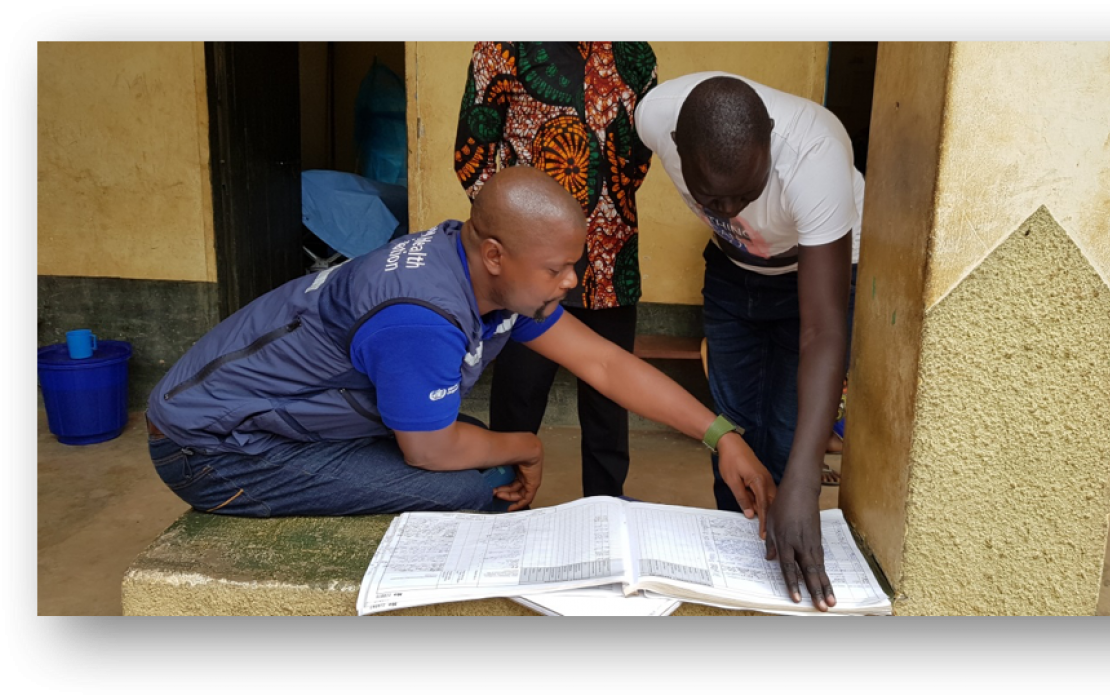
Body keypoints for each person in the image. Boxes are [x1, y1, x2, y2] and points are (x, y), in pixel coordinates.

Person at [144, 167, 775, 536]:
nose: (571, 283)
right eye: (558, 268)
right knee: (476, 484)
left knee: (474, 447)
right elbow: (430, 449)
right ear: (496, 254)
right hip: (213, 450)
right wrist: (527, 444)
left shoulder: (479, 272)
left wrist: (722, 435)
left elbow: (606, 363)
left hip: (253, 415)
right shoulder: (423, 317)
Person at [636, 72, 864, 611]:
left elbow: (822, 330)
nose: (733, 208)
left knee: (789, 436)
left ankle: (788, 572)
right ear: (677, 150)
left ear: (769, 140)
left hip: (814, 272)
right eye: (714, 195)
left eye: (748, 189)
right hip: (733, 271)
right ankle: (739, 564)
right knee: (736, 429)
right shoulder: (652, 118)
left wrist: (805, 487)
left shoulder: (815, 154)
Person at [454, 41, 659, 499]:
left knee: (611, 403)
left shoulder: (634, 53)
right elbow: (473, 154)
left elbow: (638, 154)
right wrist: (518, 233)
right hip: (529, 266)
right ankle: (504, 513)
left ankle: (605, 514)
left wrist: (604, 210)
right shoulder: (503, 46)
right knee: (519, 395)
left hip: (611, 258)